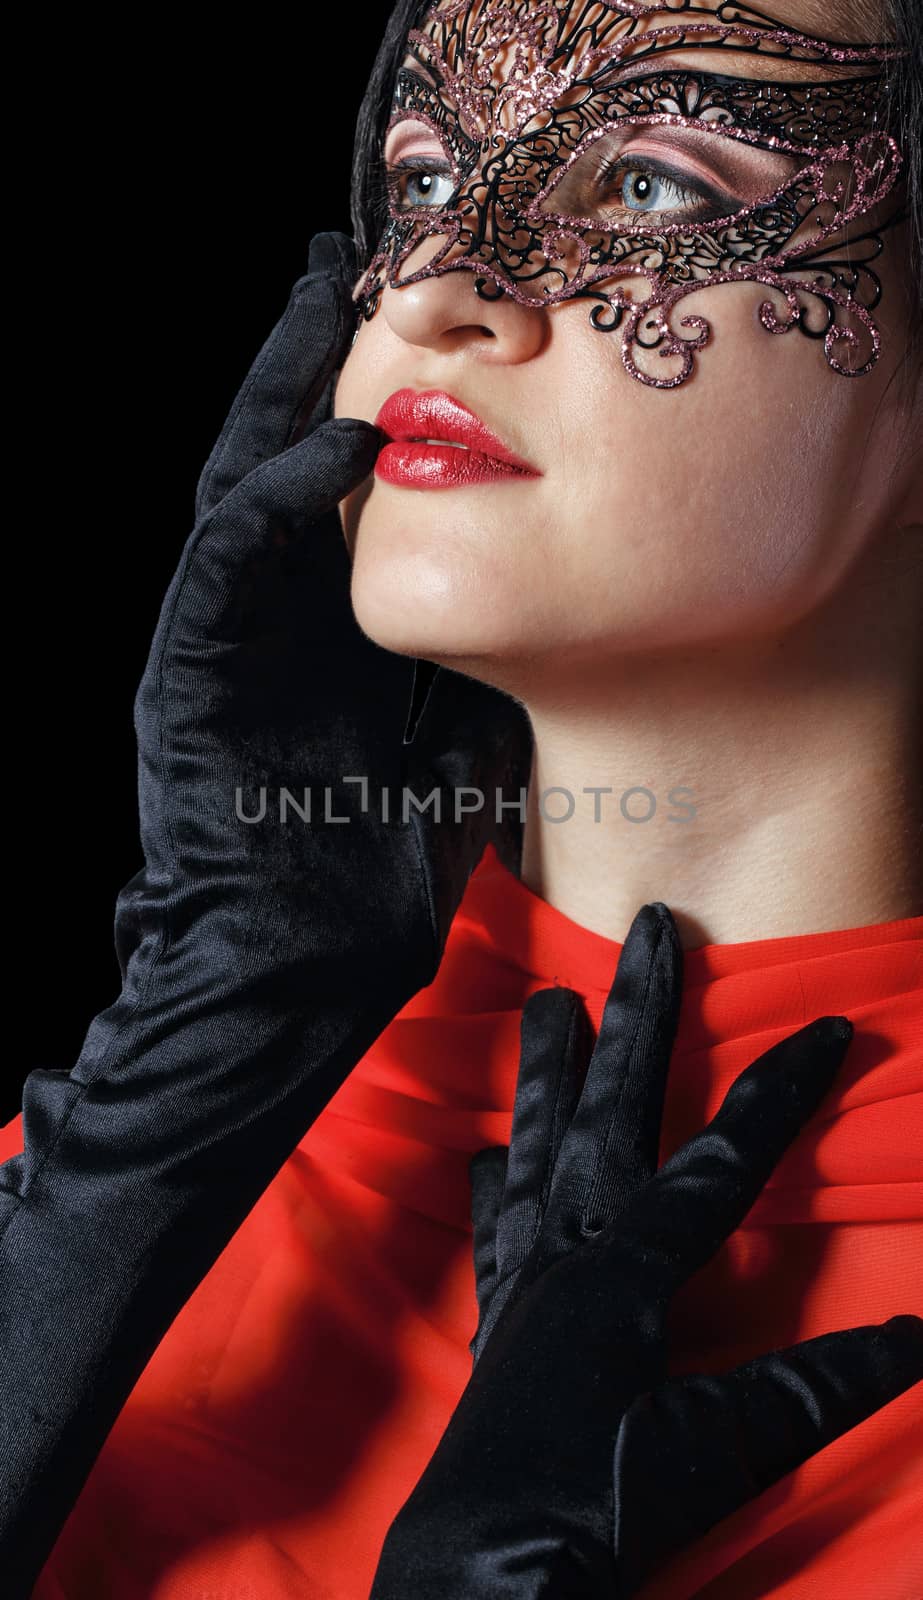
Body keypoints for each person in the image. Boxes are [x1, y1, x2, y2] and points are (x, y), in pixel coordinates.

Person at [2, 0, 921, 1596]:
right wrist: (207, 1024)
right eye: (429, 179)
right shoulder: (187, 1113)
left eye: (650, 186)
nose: (439, 288)